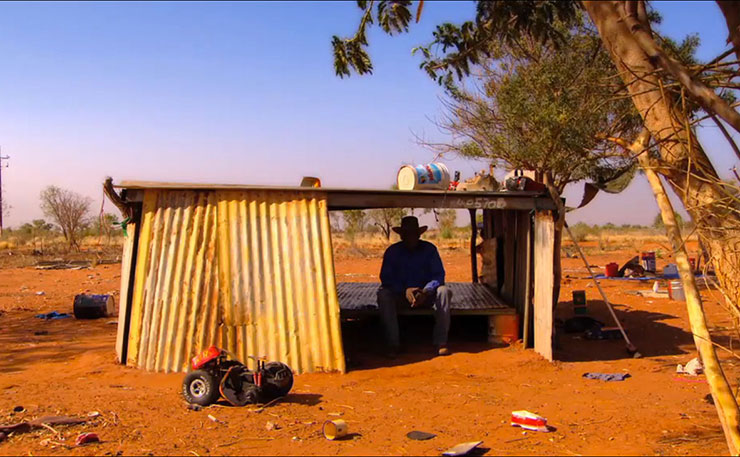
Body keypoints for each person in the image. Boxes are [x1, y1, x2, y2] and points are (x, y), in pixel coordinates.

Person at [377, 216, 453, 357]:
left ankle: (441, 342)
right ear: (401, 236)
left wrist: (425, 291)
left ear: (419, 235)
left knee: (444, 291)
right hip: (401, 296)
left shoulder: (430, 250)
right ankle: (393, 344)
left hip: (426, 296)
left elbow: (439, 276)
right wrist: (404, 290)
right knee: (383, 295)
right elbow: (386, 278)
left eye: (413, 234)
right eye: (406, 234)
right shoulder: (392, 252)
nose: (410, 237)